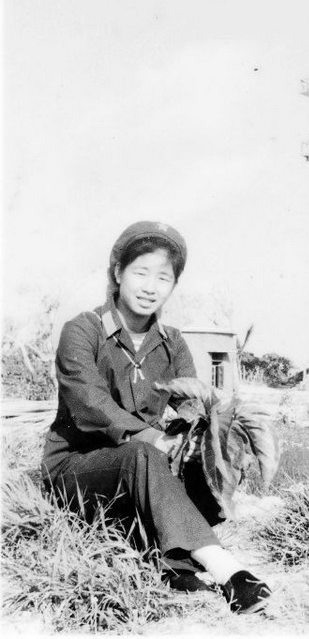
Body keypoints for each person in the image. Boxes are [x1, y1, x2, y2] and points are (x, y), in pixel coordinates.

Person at [41, 220, 271, 614]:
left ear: (173, 285)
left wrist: (208, 437)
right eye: (140, 273)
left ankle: (174, 565)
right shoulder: (82, 331)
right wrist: (153, 439)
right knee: (142, 454)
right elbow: (91, 403)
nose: (150, 287)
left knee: (200, 452)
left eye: (163, 278)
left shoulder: (172, 342)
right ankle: (228, 570)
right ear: (118, 273)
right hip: (77, 472)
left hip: (143, 474)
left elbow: (191, 402)